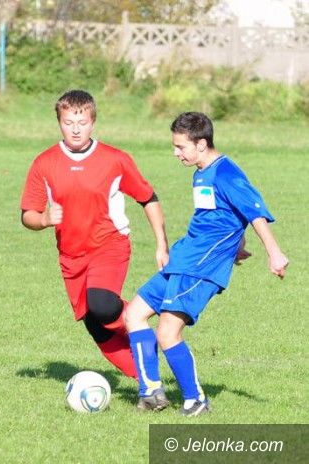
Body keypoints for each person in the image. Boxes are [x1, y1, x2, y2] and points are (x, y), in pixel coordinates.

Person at [124, 112, 289, 416]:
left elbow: (254, 212)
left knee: (167, 333)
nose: (176, 153)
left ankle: (195, 400)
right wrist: (237, 246)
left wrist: (274, 253)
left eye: (180, 147)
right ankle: (151, 392)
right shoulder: (200, 171)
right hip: (184, 258)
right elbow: (225, 214)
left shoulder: (226, 173)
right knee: (133, 314)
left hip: (201, 267)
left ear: (201, 144)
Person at [20, 90, 169, 380]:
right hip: (71, 256)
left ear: (93, 122)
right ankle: (148, 381)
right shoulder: (44, 163)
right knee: (96, 324)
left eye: (82, 122)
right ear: (59, 122)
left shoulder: (115, 159)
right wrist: (44, 219)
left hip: (109, 245)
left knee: (102, 305)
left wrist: (161, 245)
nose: (75, 129)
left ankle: (140, 325)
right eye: (68, 122)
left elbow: (148, 198)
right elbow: (27, 215)